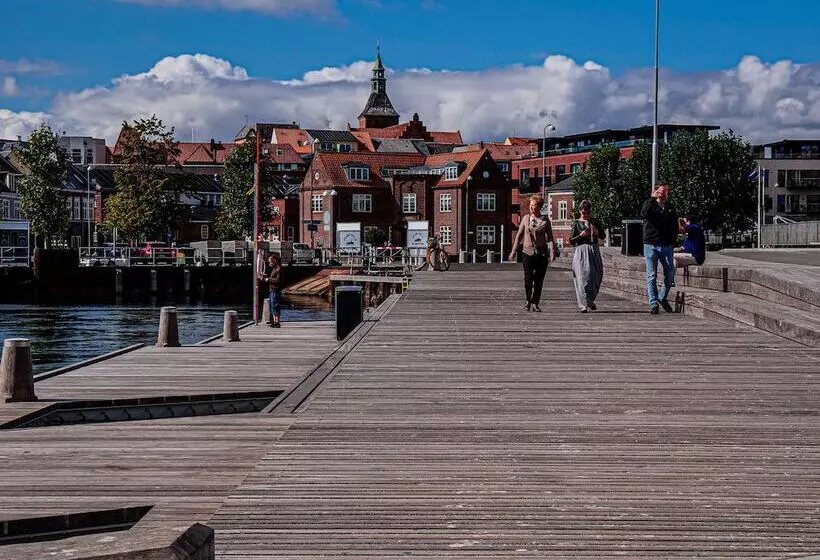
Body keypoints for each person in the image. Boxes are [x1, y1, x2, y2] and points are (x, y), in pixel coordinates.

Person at [508, 194, 556, 312]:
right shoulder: (525, 218)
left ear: (539, 207)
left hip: (541, 253)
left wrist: (552, 252)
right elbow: (519, 236)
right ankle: (528, 300)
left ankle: (535, 302)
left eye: (533, 205)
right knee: (528, 278)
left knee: (539, 279)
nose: (531, 207)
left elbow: (550, 238)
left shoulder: (545, 220)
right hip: (527, 252)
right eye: (530, 205)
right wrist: (513, 251)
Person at [641, 184, 679, 314]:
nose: (664, 194)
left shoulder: (670, 207)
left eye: (666, 191)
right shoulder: (650, 204)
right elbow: (644, 214)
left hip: (666, 245)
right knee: (651, 275)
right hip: (651, 244)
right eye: (661, 191)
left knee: (669, 273)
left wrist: (673, 241)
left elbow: (674, 225)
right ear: (656, 192)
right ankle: (653, 303)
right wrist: (652, 199)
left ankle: (662, 297)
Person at [569, 199, 606, 313]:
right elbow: (571, 240)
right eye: (583, 212)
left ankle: (590, 300)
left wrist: (596, 232)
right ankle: (583, 304)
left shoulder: (594, 221)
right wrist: (580, 235)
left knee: (596, 276)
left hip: (593, 249)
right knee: (580, 277)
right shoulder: (576, 223)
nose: (585, 215)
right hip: (581, 250)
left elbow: (603, 236)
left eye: (587, 212)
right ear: (580, 211)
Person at [266, 253, 283, 328]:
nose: (270, 263)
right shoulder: (274, 268)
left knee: (275, 305)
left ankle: (277, 322)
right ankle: (274, 321)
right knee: (272, 305)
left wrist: (269, 279)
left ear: (275, 260)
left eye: (271, 261)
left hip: (276, 289)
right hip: (272, 289)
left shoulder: (279, 269)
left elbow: (278, 280)